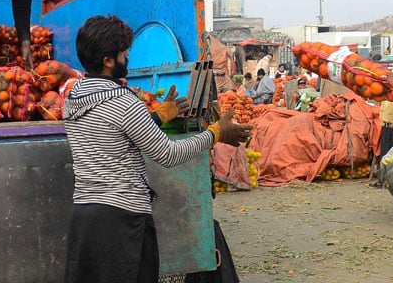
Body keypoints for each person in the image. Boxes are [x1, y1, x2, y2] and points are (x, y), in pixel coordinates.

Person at [62, 15, 252, 282]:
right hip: (122, 221)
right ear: (108, 60)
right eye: (124, 54)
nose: (127, 60)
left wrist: (158, 117)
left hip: (86, 218)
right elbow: (168, 154)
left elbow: (112, 134)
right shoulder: (123, 102)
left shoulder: (73, 99)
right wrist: (215, 133)